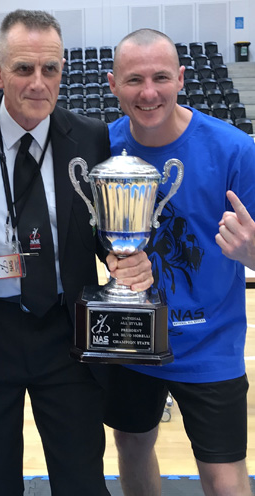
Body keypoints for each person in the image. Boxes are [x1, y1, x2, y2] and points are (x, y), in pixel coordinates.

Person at [0, 10, 154, 495]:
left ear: (63, 70)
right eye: (23, 69)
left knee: (81, 475)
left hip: (66, 326)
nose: (38, 83)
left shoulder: (91, 135)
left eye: (50, 69)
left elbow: (105, 228)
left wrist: (126, 257)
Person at [104, 28, 255, 496]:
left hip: (210, 345)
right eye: (134, 80)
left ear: (182, 79)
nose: (148, 93)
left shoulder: (234, 149)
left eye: (161, 77)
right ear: (112, 84)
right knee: (131, 445)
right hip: (133, 337)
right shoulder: (101, 148)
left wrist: (252, 254)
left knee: (223, 475)